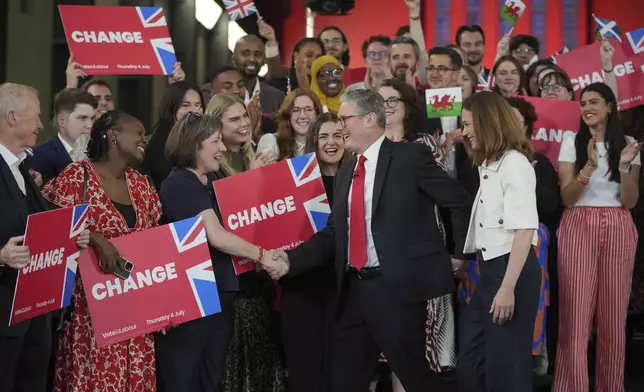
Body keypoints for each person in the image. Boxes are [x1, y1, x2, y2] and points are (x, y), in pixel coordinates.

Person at [271, 89, 472, 392]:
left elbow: (457, 201)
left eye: (344, 119)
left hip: (397, 291)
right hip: (353, 291)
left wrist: (458, 254)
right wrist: (289, 260)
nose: (339, 128)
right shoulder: (348, 169)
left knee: (415, 376)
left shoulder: (409, 156)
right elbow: (334, 233)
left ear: (369, 119)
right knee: (345, 381)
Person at [155, 112, 286, 392]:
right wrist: (263, 255)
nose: (223, 148)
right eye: (215, 141)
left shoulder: (211, 178)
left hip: (220, 294)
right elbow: (216, 236)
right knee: (184, 378)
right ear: (195, 144)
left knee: (211, 377)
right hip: (191, 300)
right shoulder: (180, 183)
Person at [42, 111, 160, 391]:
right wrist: (95, 238)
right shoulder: (77, 176)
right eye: (138, 132)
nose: (145, 139)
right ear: (114, 136)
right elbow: (49, 229)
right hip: (89, 313)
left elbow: (157, 243)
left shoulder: (141, 185)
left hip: (136, 312)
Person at [0, 82, 89, 392]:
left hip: (33, 312)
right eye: (36, 117)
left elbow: (36, 223)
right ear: (12, 118)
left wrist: (70, 235)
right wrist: (1, 255)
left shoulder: (22, 167)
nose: (41, 125)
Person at [553, 82, 641, 392]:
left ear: (609, 107)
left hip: (618, 224)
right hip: (579, 223)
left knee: (613, 321)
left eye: (594, 101)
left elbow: (629, 201)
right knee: (576, 319)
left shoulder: (628, 143)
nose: (587, 107)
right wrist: (589, 165)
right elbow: (568, 197)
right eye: (582, 102)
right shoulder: (570, 141)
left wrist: (624, 165)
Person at [456, 91, 542, 392]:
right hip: (492, 272)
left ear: (487, 122)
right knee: (473, 359)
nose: (464, 132)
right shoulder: (488, 163)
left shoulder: (514, 164)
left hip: (512, 273)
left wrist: (507, 288)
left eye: (468, 124)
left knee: (507, 370)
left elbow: (524, 229)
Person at [279, 113, 348, 392]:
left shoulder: (358, 181)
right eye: (323, 136)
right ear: (313, 142)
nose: (331, 142)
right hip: (300, 290)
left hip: (342, 293)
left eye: (337, 136)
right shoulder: (294, 184)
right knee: (304, 373)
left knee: (338, 374)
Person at [26, 88, 97, 183]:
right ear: (62, 121)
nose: (90, 125)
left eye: (92, 118)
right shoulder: (38, 157)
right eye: (82, 118)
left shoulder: (99, 155)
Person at [143, 81, 204, 191]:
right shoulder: (160, 144)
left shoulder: (202, 139)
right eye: (186, 105)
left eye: (198, 105)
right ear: (171, 109)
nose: (194, 111)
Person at [256, 88, 322, 159]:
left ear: (317, 113)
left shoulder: (326, 145)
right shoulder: (272, 142)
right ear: (288, 115)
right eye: (296, 110)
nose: (302, 116)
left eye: (308, 109)